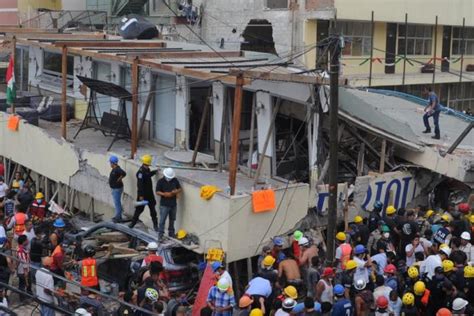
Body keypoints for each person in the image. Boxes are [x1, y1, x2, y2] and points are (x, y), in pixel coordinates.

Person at [129, 155, 158, 230]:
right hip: (143, 195)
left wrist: (153, 173)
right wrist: (141, 195)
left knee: (153, 211)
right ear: (146, 164)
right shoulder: (140, 173)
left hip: (150, 195)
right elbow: (140, 185)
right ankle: (132, 224)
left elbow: (148, 176)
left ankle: (155, 226)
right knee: (139, 210)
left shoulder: (147, 170)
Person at [156, 168, 182, 239]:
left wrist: (176, 192)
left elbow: (180, 188)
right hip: (164, 205)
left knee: (172, 219)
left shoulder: (175, 180)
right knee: (162, 221)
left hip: (173, 204)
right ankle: (160, 235)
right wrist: (164, 194)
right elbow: (157, 191)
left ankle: (171, 233)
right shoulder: (160, 181)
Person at [108, 155, 127, 223]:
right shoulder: (114, 169)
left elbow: (124, 173)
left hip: (117, 189)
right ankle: (118, 216)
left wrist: (119, 179)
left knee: (117, 203)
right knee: (117, 202)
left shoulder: (117, 169)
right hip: (115, 188)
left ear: (113, 163)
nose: (110, 164)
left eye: (110, 163)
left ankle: (118, 217)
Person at [16, 235, 31, 299]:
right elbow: (24, 264)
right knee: (23, 285)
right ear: (23, 241)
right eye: (26, 240)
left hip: (24, 270)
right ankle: (22, 298)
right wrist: (26, 276)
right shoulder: (21, 251)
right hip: (23, 272)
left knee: (23, 285)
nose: (27, 241)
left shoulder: (23, 249)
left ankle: (25, 297)